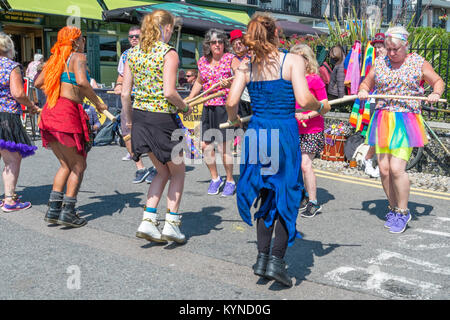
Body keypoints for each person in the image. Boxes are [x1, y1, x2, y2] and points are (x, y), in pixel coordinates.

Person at [225, 13, 331, 287]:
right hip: (283, 132)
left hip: (258, 132)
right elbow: (303, 99)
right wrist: (321, 106)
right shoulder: (292, 60)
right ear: (275, 34)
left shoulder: (247, 66)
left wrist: (235, 119)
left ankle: (262, 259)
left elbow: (231, 101)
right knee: (286, 195)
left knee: (266, 194)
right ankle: (276, 262)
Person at [358, 26, 444, 234]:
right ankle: (393, 207)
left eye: (395, 48)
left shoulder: (418, 62)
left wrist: (435, 93)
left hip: (405, 119)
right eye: (388, 49)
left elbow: (438, 81)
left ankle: (404, 211)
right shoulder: (380, 62)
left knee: (397, 169)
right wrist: (362, 90)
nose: (391, 53)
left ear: (406, 45)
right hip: (382, 118)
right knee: (385, 170)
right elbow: (367, 83)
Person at [121, 10, 192, 244]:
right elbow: (169, 92)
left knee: (161, 171)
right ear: (167, 27)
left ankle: (148, 221)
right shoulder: (168, 53)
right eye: (172, 27)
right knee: (178, 172)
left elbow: (124, 93)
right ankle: (172, 223)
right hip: (163, 119)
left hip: (141, 118)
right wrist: (185, 107)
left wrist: (129, 122)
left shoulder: (132, 53)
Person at [35, 26, 108, 228]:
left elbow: (38, 82)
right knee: (78, 165)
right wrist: (98, 102)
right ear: (75, 41)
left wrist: (58, 88)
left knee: (66, 165)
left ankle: (53, 209)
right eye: (81, 38)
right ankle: (68, 212)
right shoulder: (78, 56)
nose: (84, 40)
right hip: (66, 114)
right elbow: (84, 83)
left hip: (51, 112)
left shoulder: (56, 58)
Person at [186, 29, 240, 197]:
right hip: (208, 106)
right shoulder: (202, 61)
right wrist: (189, 98)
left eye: (221, 42)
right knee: (205, 145)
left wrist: (229, 84)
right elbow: (200, 82)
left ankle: (230, 180)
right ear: (208, 44)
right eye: (214, 42)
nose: (218, 45)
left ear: (225, 44)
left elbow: (241, 79)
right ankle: (215, 178)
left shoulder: (231, 59)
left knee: (224, 147)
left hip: (225, 107)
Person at [0, 32, 39, 212]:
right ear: (10, 48)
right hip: (6, 116)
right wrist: (31, 105)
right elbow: (17, 93)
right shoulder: (11, 66)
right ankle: (9, 200)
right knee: (12, 159)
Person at [114, 25, 156, 184]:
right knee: (127, 133)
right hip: (129, 100)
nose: (133, 39)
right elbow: (121, 77)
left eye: (137, 36)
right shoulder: (125, 55)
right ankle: (141, 168)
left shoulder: (151, 53)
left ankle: (157, 168)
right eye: (130, 36)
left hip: (146, 99)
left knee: (150, 133)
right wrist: (118, 85)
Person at [290, 44, 328, 218]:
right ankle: (302, 197)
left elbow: (324, 106)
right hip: (294, 127)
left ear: (307, 60)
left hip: (312, 128)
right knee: (294, 165)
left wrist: (307, 116)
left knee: (305, 165)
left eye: (300, 59)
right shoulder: (290, 80)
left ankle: (313, 202)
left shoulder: (314, 79)